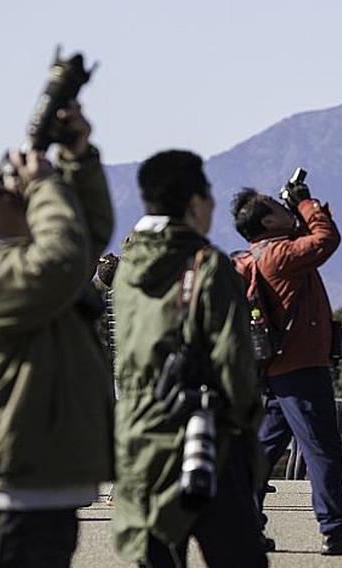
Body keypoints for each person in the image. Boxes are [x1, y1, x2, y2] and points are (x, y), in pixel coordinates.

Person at [0, 104, 114, 567]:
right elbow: (62, 259)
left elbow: (82, 241)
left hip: (33, 487)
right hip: (7, 496)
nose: (19, 197)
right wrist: (43, 185)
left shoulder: (8, 265)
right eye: (8, 197)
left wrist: (78, 158)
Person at [111, 150, 267, 567]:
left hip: (141, 437)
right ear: (195, 203)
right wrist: (246, 427)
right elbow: (235, 362)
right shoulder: (208, 266)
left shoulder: (126, 273)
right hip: (206, 438)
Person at [231, 186, 342, 555]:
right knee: (322, 449)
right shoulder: (280, 255)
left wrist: (299, 209)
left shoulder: (262, 252)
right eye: (279, 208)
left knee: (263, 450)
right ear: (266, 221)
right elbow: (325, 239)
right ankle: (335, 531)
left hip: (278, 368)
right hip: (301, 369)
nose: (288, 209)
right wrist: (305, 204)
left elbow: (310, 235)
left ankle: (244, 527)